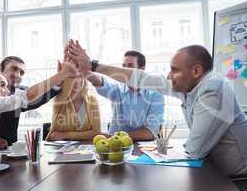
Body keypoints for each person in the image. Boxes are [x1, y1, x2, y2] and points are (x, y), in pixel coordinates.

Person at [67, 40, 247, 177]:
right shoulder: (189, 86)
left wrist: (152, 157)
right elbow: (142, 78)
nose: (169, 75)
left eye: (174, 69)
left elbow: (194, 151)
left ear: (196, 71)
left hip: (236, 179)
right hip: (218, 173)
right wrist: (93, 66)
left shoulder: (213, 90)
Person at [85, 50, 164, 141]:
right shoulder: (117, 89)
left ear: (142, 69)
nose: (124, 71)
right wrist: (86, 72)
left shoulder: (155, 94)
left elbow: (150, 132)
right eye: (123, 67)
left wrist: (115, 136)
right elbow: (101, 83)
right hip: (116, 146)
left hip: (142, 147)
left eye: (130, 66)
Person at [46, 76, 101, 141]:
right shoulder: (59, 100)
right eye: (72, 77)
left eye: (79, 76)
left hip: (86, 149)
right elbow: (54, 136)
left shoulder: (92, 100)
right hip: (61, 148)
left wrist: (65, 135)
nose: (76, 81)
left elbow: (96, 132)